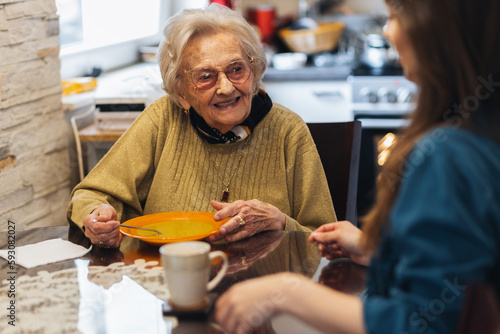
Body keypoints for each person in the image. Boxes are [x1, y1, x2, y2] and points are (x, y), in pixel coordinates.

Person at [214, 0, 500, 333]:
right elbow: (461, 271)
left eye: (394, 17)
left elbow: (422, 323)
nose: (388, 32)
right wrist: (375, 250)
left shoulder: (448, 157)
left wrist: (285, 292)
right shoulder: (481, 130)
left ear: (438, 29)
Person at [66, 4, 336, 248]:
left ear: (254, 71)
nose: (226, 87)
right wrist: (96, 217)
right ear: (182, 92)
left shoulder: (289, 131)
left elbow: (324, 237)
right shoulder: (163, 120)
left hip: (263, 294)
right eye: (205, 77)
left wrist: (280, 222)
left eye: (236, 69)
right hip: (169, 284)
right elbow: (90, 195)